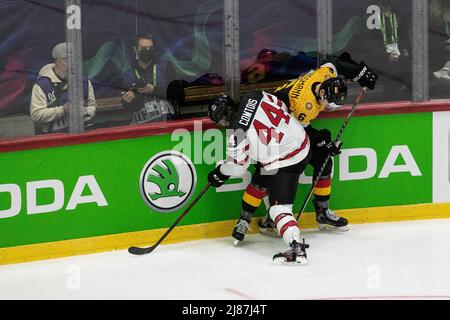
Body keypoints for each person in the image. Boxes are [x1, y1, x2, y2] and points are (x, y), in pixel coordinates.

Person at [231, 51, 377, 243]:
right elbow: (300, 136)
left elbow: (334, 64)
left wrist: (359, 72)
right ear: (322, 92)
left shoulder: (323, 76)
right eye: (328, 103)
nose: (329, 107)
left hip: (284, 125)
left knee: (324, 161)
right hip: (275, 130)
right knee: (265, 174)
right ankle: (246, 219)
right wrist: (324, 142)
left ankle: (322, 212)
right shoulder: (304, 106)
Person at [207, 91, 312, 264]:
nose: (223, 124)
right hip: (302, 142)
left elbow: (238, 168)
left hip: (287, 160)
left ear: (224, 115)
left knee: (279, 208)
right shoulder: (254, 95)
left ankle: (296, 248)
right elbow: (283, 107)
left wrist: (219, 173)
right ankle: (246, 218)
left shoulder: (236, 130)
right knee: (262, 174)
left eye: (221, 121)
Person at [30, 42, 97, 134]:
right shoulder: (42, 85)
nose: (77, 62)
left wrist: (84, 111)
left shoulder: (84, 82)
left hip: (81, 134)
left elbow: (92, 106)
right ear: (61, 62)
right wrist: (63, 110)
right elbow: (36, 115)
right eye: (74, 59)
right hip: (51, 138)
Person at [119, 33, 175, 124]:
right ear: (135, 49)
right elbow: (128, 107)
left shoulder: (166, 66)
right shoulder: (128, 75)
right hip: (142, 126)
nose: (148, 51)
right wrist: (127, 101)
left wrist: (153, 90)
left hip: (167, 123)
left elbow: (177, 93)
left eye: (150, 48)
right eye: (144, 49)